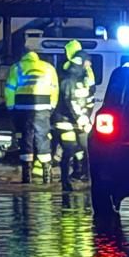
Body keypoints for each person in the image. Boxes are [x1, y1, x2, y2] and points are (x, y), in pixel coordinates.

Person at [3, 46, 58, 183]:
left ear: (23, 55)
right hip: (43, 108)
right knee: (43, 139)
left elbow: (10, 89)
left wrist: (11, 108)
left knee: (25, 139)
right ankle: (47, 176)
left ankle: (27, 176)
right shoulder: (48, 68)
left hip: (22, 109)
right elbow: (54, 89)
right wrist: (51, 107)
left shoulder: (17, 68)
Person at [51, 40, 95, 183]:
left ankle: (85, 176)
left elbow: (89, 99)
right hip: (65, 122)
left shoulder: (85, 78)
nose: (89, 66)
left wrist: (87, 116)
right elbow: (70, 101)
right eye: (87, 63)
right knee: (69, 150)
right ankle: (65, 181)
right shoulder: (68, 79)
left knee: (85, 148)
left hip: (79, 121)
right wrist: (81, 119)